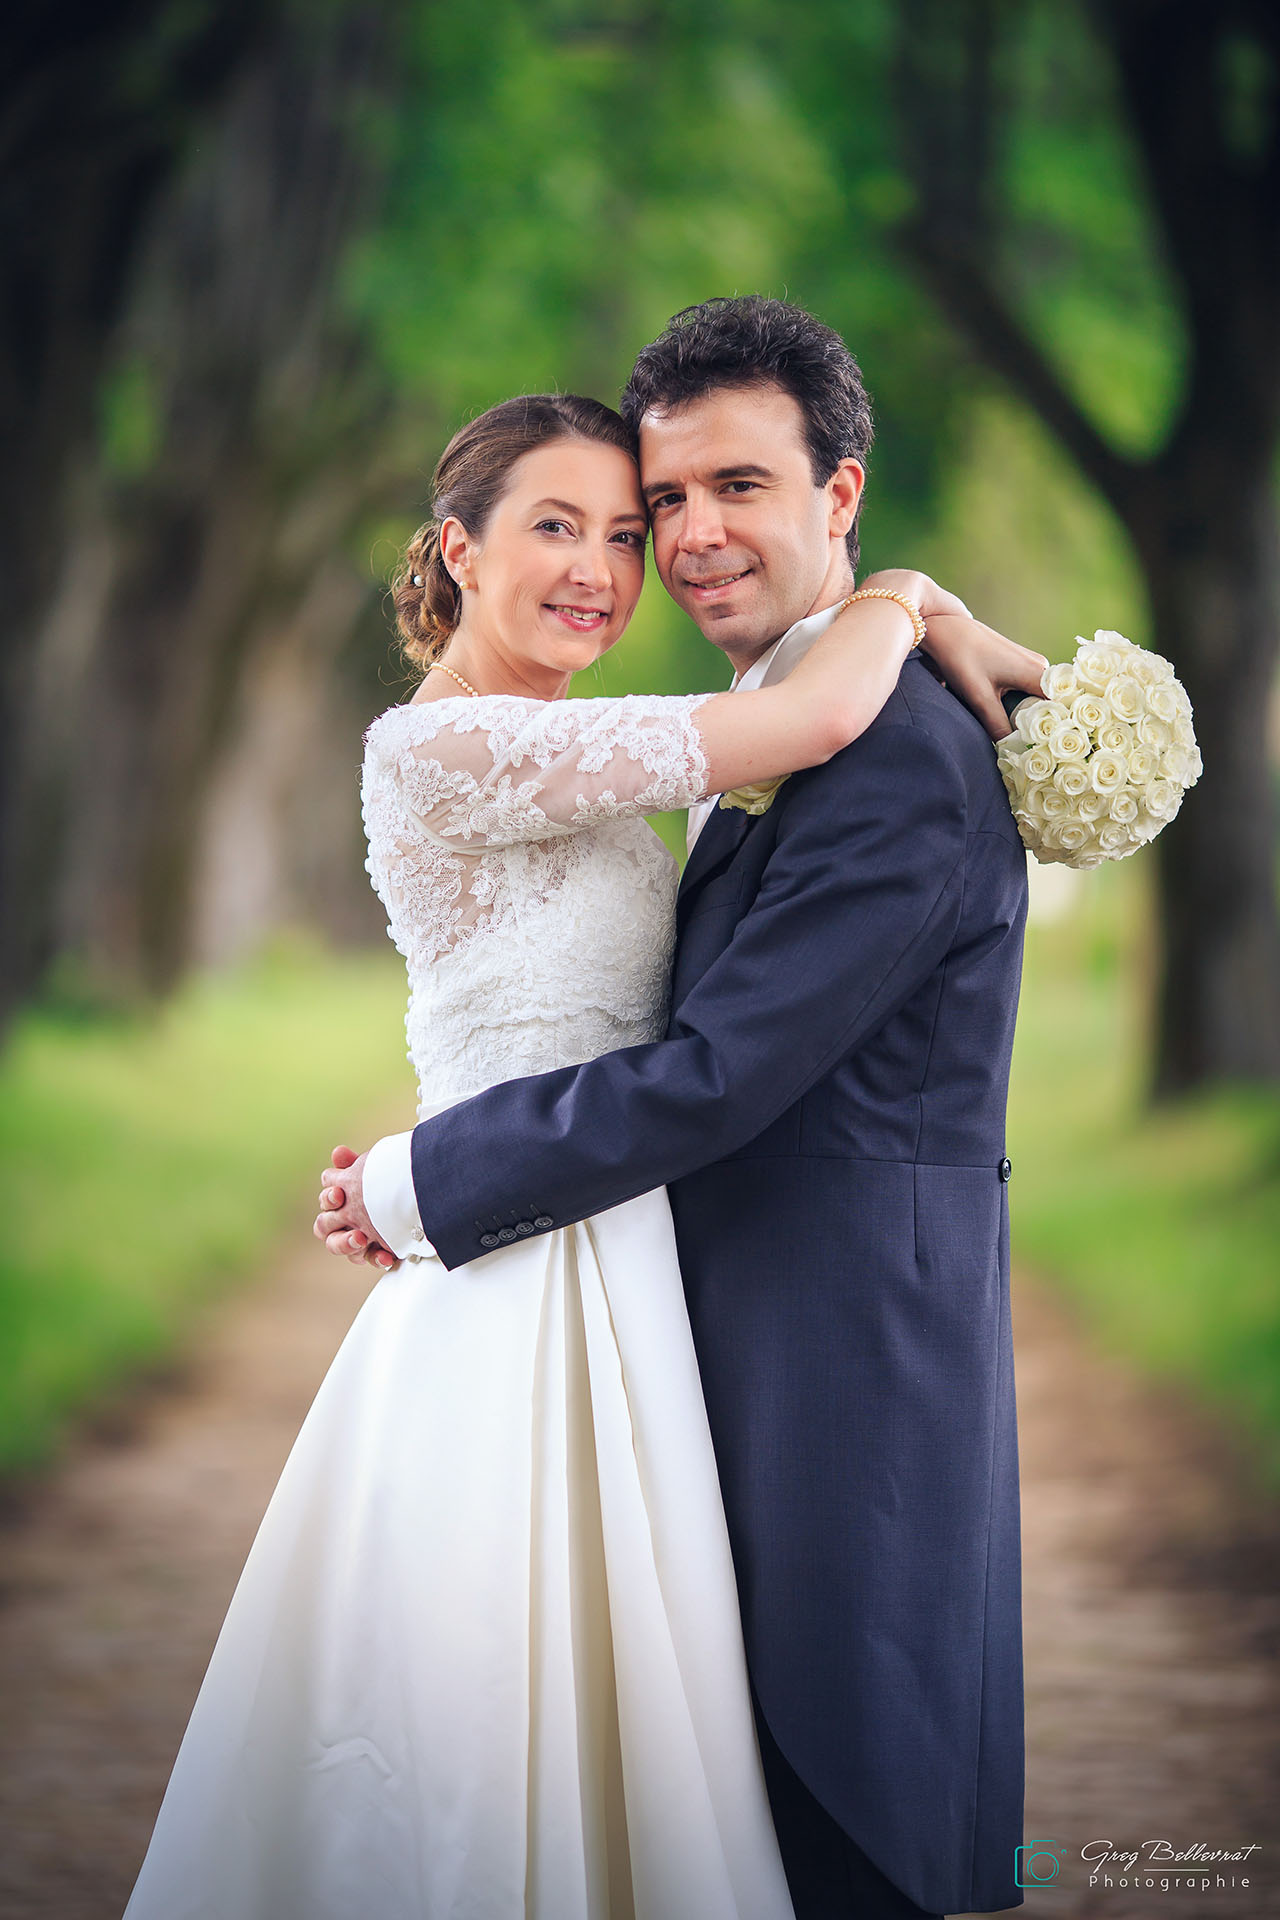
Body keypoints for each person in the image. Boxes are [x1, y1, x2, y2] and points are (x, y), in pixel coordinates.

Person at [318, 300, 1043, 1919]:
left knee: (823, 1806)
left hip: (836, 1357)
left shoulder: (898, 754)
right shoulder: (681, 734)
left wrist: (427, 1177)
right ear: (463, 546)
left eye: (732, 492)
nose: (683, 541)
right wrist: (913, 599)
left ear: (838, 497)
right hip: (611, 1300)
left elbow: (713, 1072)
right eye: (662, 509)